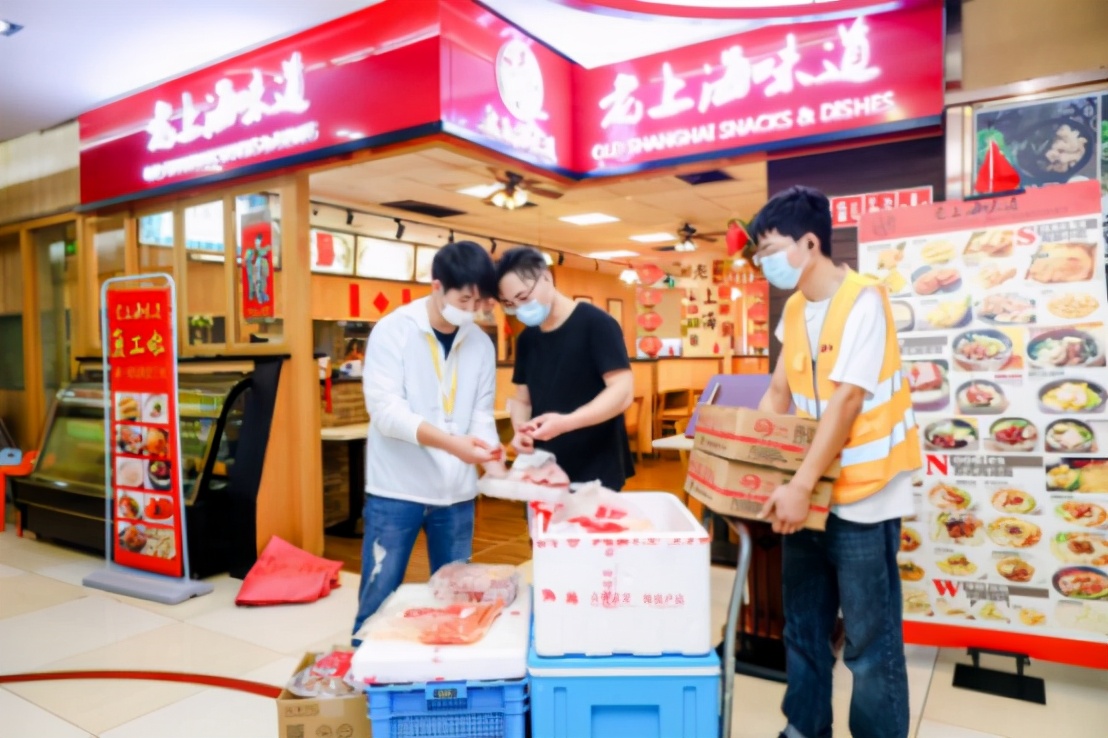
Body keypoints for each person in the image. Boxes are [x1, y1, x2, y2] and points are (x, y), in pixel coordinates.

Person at [750, 186, 921, 738]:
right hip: (811, 492)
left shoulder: (863, 299)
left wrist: (798, 485)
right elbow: (778, 393)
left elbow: (847, 400)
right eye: (758, 253)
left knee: (869, 643)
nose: (763, 262)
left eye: (769, 249)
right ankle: (804, 727)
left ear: (809, 242)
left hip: (865, 496)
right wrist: (759, 466)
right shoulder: (795, 308)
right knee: (803, 628)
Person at [353, 240, 507, 639]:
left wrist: (493, 459)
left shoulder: (480, 343)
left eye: (480, 302)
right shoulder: (394, 331)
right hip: (396, 489)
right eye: (465, 299)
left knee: (454, 602)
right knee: (379, 595)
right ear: (437, 286)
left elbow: (480, 414)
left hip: (456, 495)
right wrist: (453, 445)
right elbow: (387, 413)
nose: (473, 310)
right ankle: (364, 663)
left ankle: (444, 669)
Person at [496, 247, 634, 490]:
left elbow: (622, 392)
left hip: (596, 465)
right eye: (509, 304)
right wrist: (521, 430)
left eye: (523, 297)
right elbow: (523, 400)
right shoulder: (527, 338)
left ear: (546, 278)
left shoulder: (597, 324)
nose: (519, 309)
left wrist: (567, 422)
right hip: (544, 464)